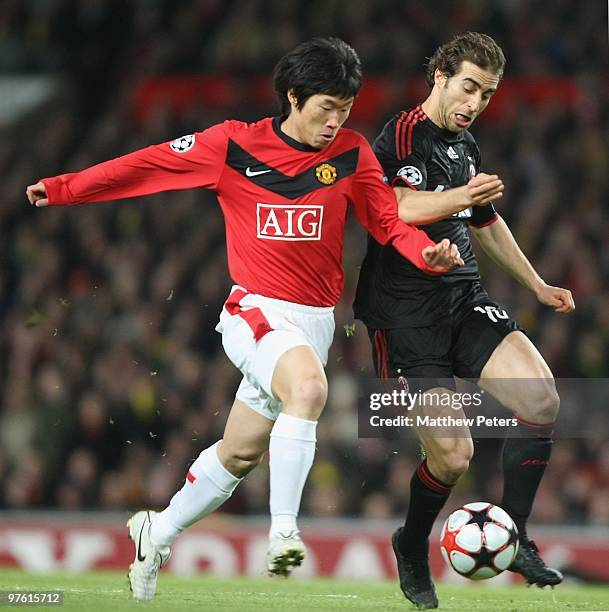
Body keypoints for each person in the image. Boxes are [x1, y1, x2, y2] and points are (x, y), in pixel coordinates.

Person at [26, 38, 462, 601]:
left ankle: (155, 532)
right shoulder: (232, 144)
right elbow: (147, 166)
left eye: (345, 108)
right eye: (326, 107)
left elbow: (385, 221)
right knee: (309, 389)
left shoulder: (352, 153)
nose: (336, 120)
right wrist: (63, 189)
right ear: (293, 97)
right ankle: (283, 533)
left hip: (314, 323)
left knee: (240, 453)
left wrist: (421, 252)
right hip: (254, 309)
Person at [354, 32, 575, 609]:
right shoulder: (401, 136)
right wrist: (461, 196)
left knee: (542, 399)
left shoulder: (465, 146)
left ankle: (519, 535)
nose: (476, 102)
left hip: (462, 299)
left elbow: (485, 222)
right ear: (440, 76)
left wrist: (536, 284)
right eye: (469, 87)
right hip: (405, 318)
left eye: (488, 93)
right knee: (452, 456)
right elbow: (394, 209)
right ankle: (410, 542)